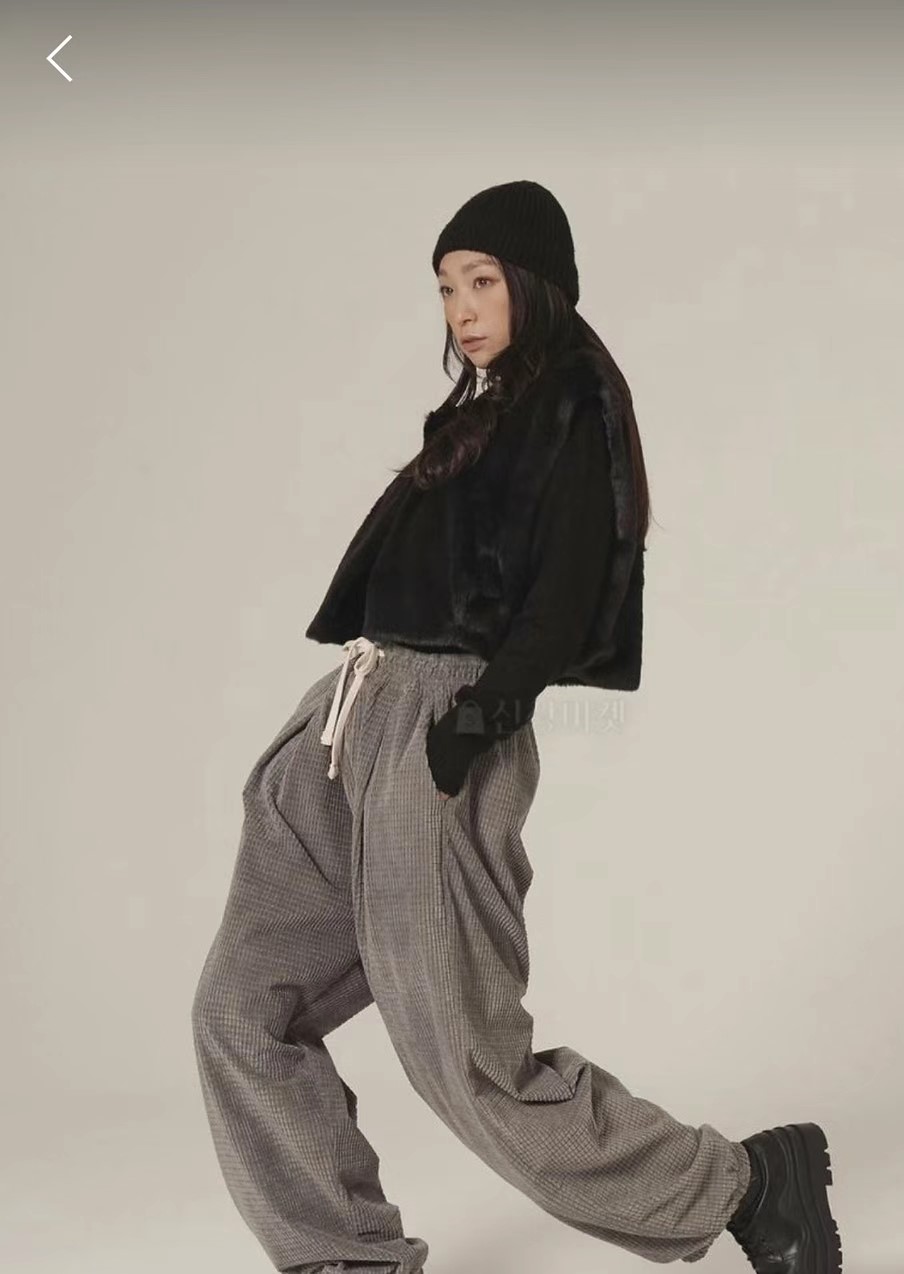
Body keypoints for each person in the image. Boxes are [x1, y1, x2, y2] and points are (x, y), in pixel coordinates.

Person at [190, 180, 843, 1274]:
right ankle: (342, 1253)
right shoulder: (483, 411)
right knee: (238, 1009)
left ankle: (744, 1182)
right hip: (346, 722)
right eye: (446, 287)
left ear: (535, 284)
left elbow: (565, 595)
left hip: (436, 732)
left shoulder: (573, 402)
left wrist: (469, 730)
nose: (460, 307)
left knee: (464, 1054)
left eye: (482, 281)